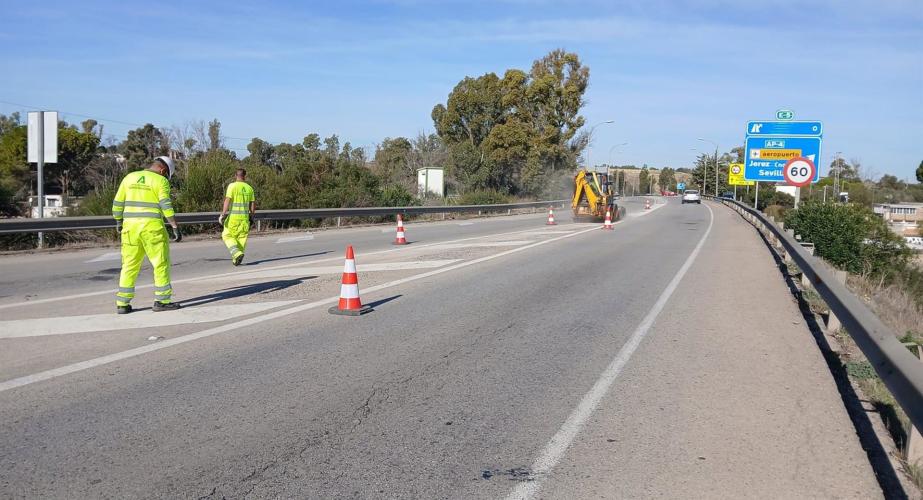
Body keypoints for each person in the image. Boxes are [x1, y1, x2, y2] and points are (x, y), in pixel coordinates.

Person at [112, 156, 182, 314]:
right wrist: (174, 226)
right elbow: (166, 205)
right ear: (163, 170)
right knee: (160, 264)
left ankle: (122, 303)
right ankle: (162, 301)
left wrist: (118, 221)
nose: (166, 178)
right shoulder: (160, 181)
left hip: (130, 229)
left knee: (129, 265)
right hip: (152, 229)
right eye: (166, 175)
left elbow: (117, 203)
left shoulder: (129, 177)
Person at [218, 168, 255, 266]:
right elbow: (252, 205)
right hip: (244, 219)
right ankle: (236, 259)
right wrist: (251, 217)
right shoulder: (249, 188)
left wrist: (223, 214)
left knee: (226, 235)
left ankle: (237, 254)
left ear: (235, 176)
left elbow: (227, 201)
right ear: (244, 176)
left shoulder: (232, 186)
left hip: (233, 219)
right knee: (241, 240)